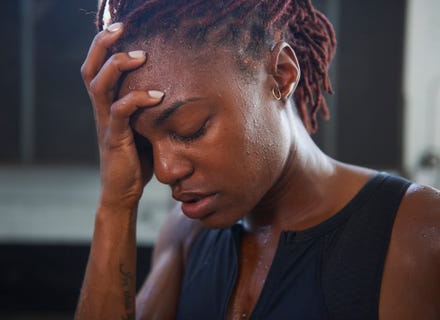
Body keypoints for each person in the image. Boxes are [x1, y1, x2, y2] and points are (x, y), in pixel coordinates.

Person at [75, 0, 440, 319]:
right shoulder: (185, 236)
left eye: (190, 129)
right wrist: (116, 204)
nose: (166, 170)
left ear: (282, 75)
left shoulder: (416, 232)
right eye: (144, 142)